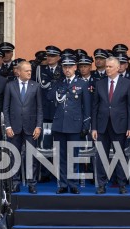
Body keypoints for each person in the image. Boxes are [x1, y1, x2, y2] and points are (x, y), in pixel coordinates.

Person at [48, 56, 91, 194]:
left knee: (73, 155)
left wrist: (86, 125)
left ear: (75, 67)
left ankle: (73, 184)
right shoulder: (59, 83)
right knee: (60, 156)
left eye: (69, 67)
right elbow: (49, 97)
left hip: (74, 125)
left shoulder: (82, 84)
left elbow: (87, 107)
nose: (67, 69)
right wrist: (54, 82)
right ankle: (62, 184)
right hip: (59, 124)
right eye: (64, 67)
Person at [92, 57, 130, 194]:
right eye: (106, 66)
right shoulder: (100, 84)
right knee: (101, 155)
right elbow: (95, 107)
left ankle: (122, 184)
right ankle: (101, 184)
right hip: (102, 125)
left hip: (120, 125)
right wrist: (93, 127)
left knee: (119, 155)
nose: (107, 69)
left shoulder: (127, 84)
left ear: (118, 68)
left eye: (110, 67)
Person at [3, 61, 43, 194]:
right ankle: (15, 182)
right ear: (18, 72)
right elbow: (6, 108)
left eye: (30, 70)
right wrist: (7, 126)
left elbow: (39, 108)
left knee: (31, 155)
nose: (29, 73)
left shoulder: (35, 86)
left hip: (31, 127)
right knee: (14, 155)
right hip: (14, 127)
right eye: (26, 71)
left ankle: (32, 183)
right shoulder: (10, 86)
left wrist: (38, 126)